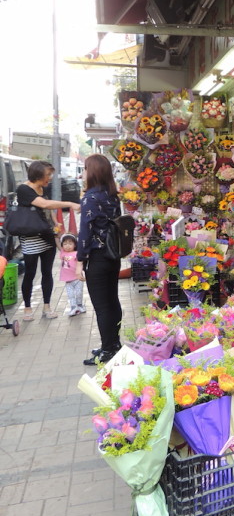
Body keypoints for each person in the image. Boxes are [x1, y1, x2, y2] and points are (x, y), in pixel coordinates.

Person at [17, 161, 80, 321]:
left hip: (46, 235)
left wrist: (56, 223)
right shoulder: (23, 189)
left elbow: (48, 209)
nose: (50, 178)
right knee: (30, 273)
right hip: (30, 237)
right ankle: (27, 308)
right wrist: (70, 204)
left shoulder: (42, 189)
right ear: (38, 175)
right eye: (48, 175)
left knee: (47, 273)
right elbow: (44, 203)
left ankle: (47, 306)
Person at [77, 154, 123, 365]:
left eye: (85, 169)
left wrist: (79, 261)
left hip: (97, 258)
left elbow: (85, 233)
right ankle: (114, 344)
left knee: (102, 306)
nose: (83, 173)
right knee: (112, 301)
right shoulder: (112, 196)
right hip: (113, 256)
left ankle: (107, 350)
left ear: (92, 172)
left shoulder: (90, 198)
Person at [59, 233, 85, 317]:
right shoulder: (62, 253)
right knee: (70, 295)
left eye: (70, 243)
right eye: (65, 244)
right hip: (67, 280)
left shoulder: (77, 253)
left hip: (77, 278)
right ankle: (73, 307)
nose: (67, 246)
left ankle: (80, 305)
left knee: (79, 293)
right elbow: (58, 243)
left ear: (75, 244)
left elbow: (80, 263)